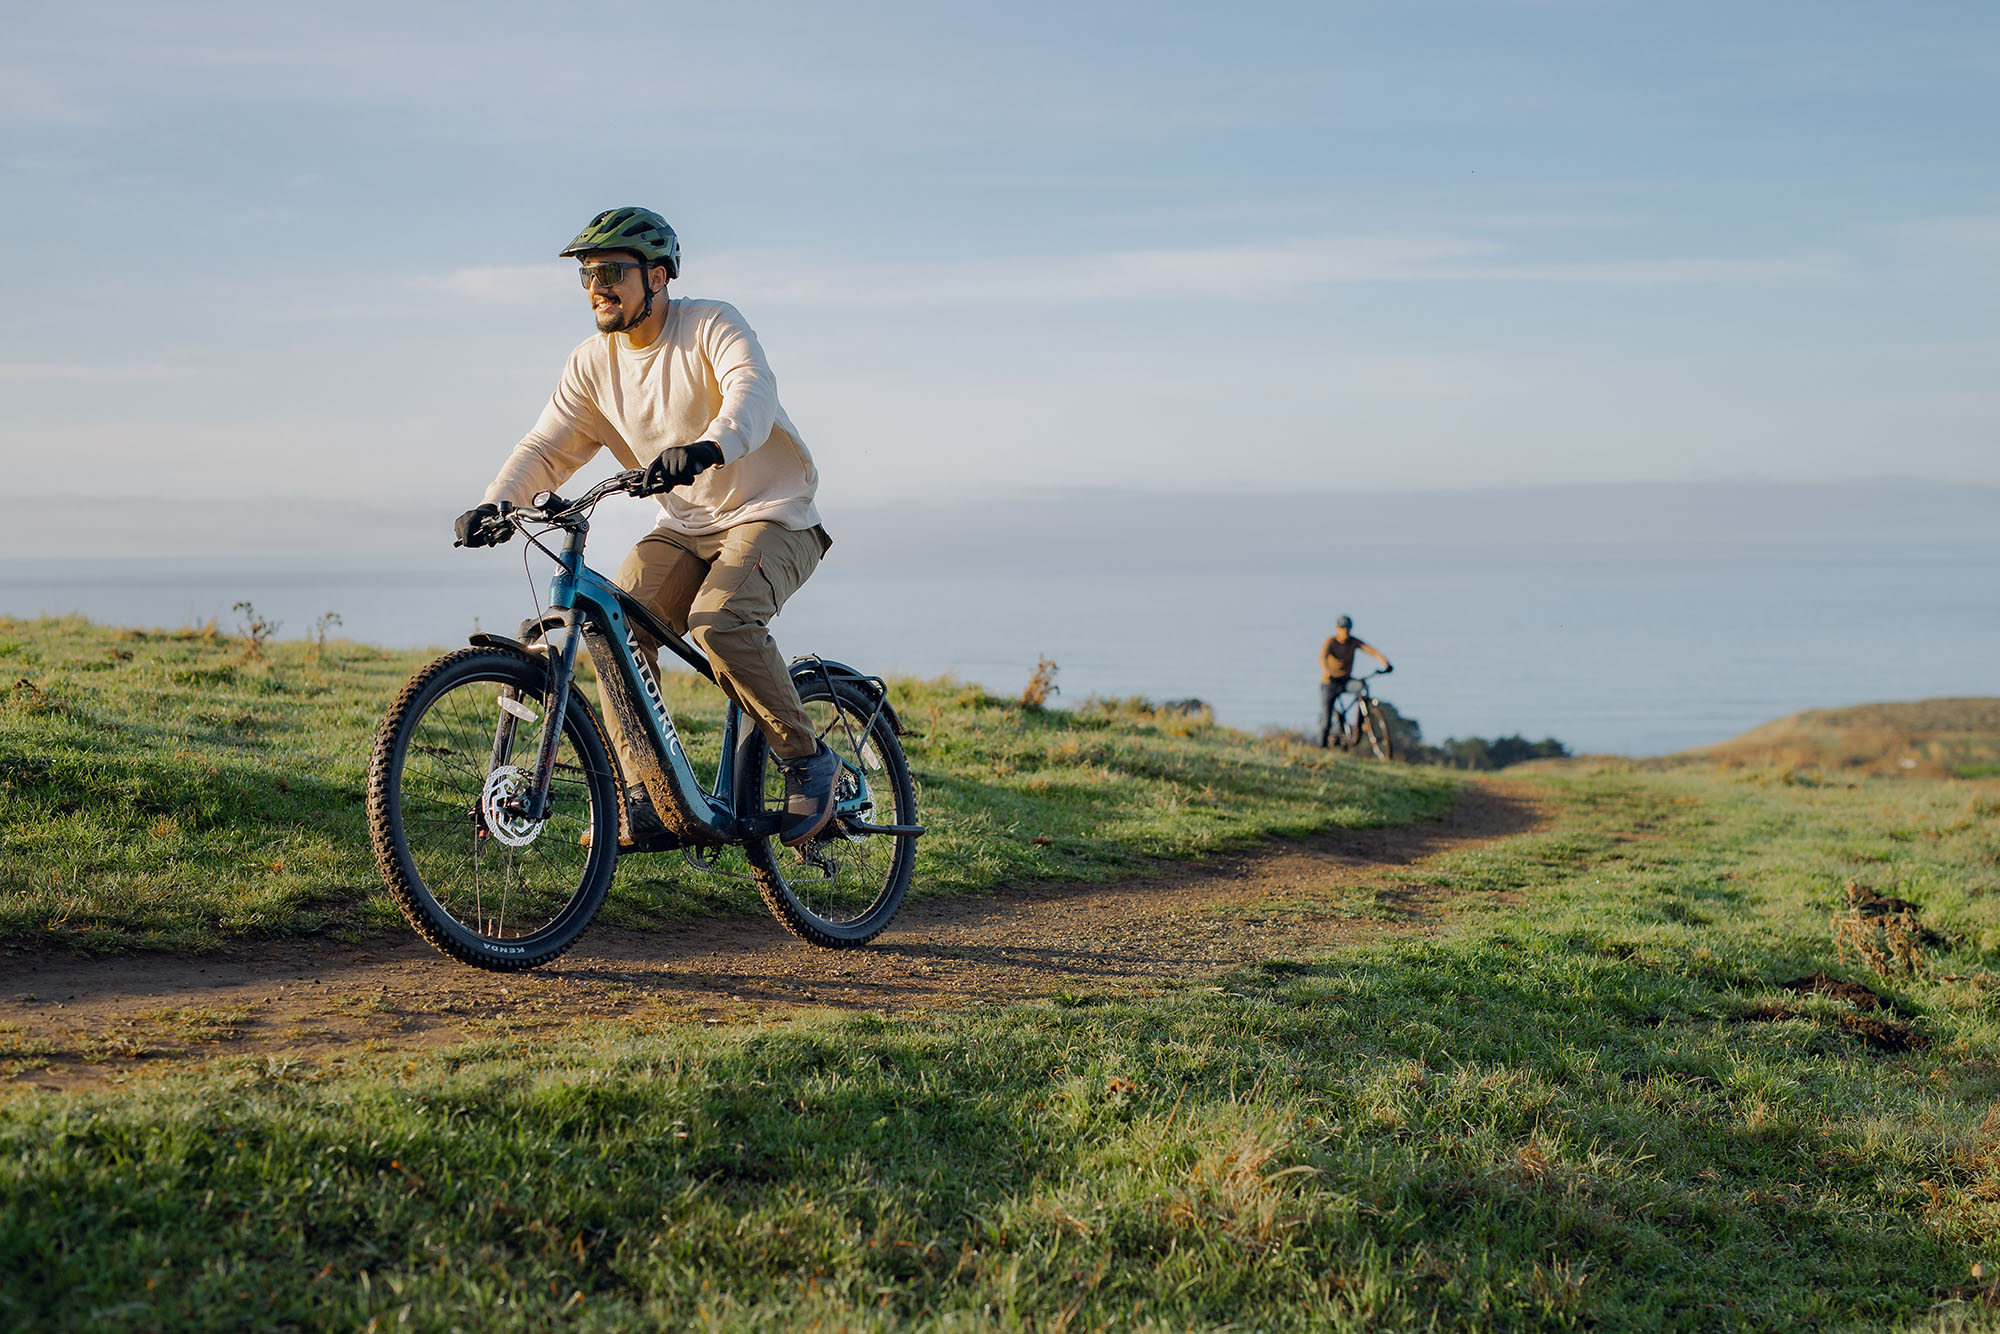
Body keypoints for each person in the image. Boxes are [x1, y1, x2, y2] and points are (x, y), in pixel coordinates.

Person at [454, 206, 837, 849]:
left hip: (773, 512)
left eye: (610, 272)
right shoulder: (592, 364)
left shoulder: (710, 324)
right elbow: (547, 448)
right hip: (686, 523)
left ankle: (807, 759)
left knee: (719, 623)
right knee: (613, 628)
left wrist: (713, 445)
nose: (596, 288)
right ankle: (650, 796)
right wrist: (499, 502)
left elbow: (752, 388)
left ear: (657, 276)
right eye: (586, 276)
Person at [1317, 615, 1392, 747]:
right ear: (1337, 629)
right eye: (1343, 628)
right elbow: (1322, 657)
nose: (1345, 631)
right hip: (1330, 683)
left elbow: (1372, 651)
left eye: (1348, 629)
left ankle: (1361, 723)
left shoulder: (1353, 642)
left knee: (1362, 687)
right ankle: (1322, 748)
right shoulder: (1331, 642)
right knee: (1326, 718)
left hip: (1346, 681)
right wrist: (1327, 671)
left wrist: (1386, 663)